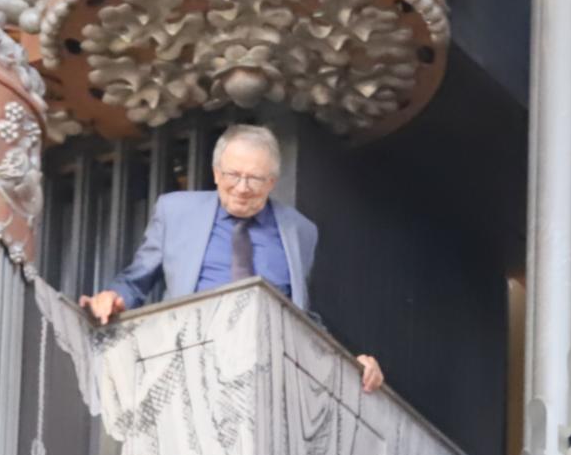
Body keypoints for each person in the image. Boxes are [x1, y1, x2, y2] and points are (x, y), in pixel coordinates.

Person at [82, 124, 385, 393]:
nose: (242, 188)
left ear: (272, 182)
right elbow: (135, 282)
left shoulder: (300, 231)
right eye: (233, 175)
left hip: (266, 374)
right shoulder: (175, 212)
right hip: (187, 365)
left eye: (254, 178)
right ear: (216, 173)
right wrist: (112, 297)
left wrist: (350, 364)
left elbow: (302, 318)